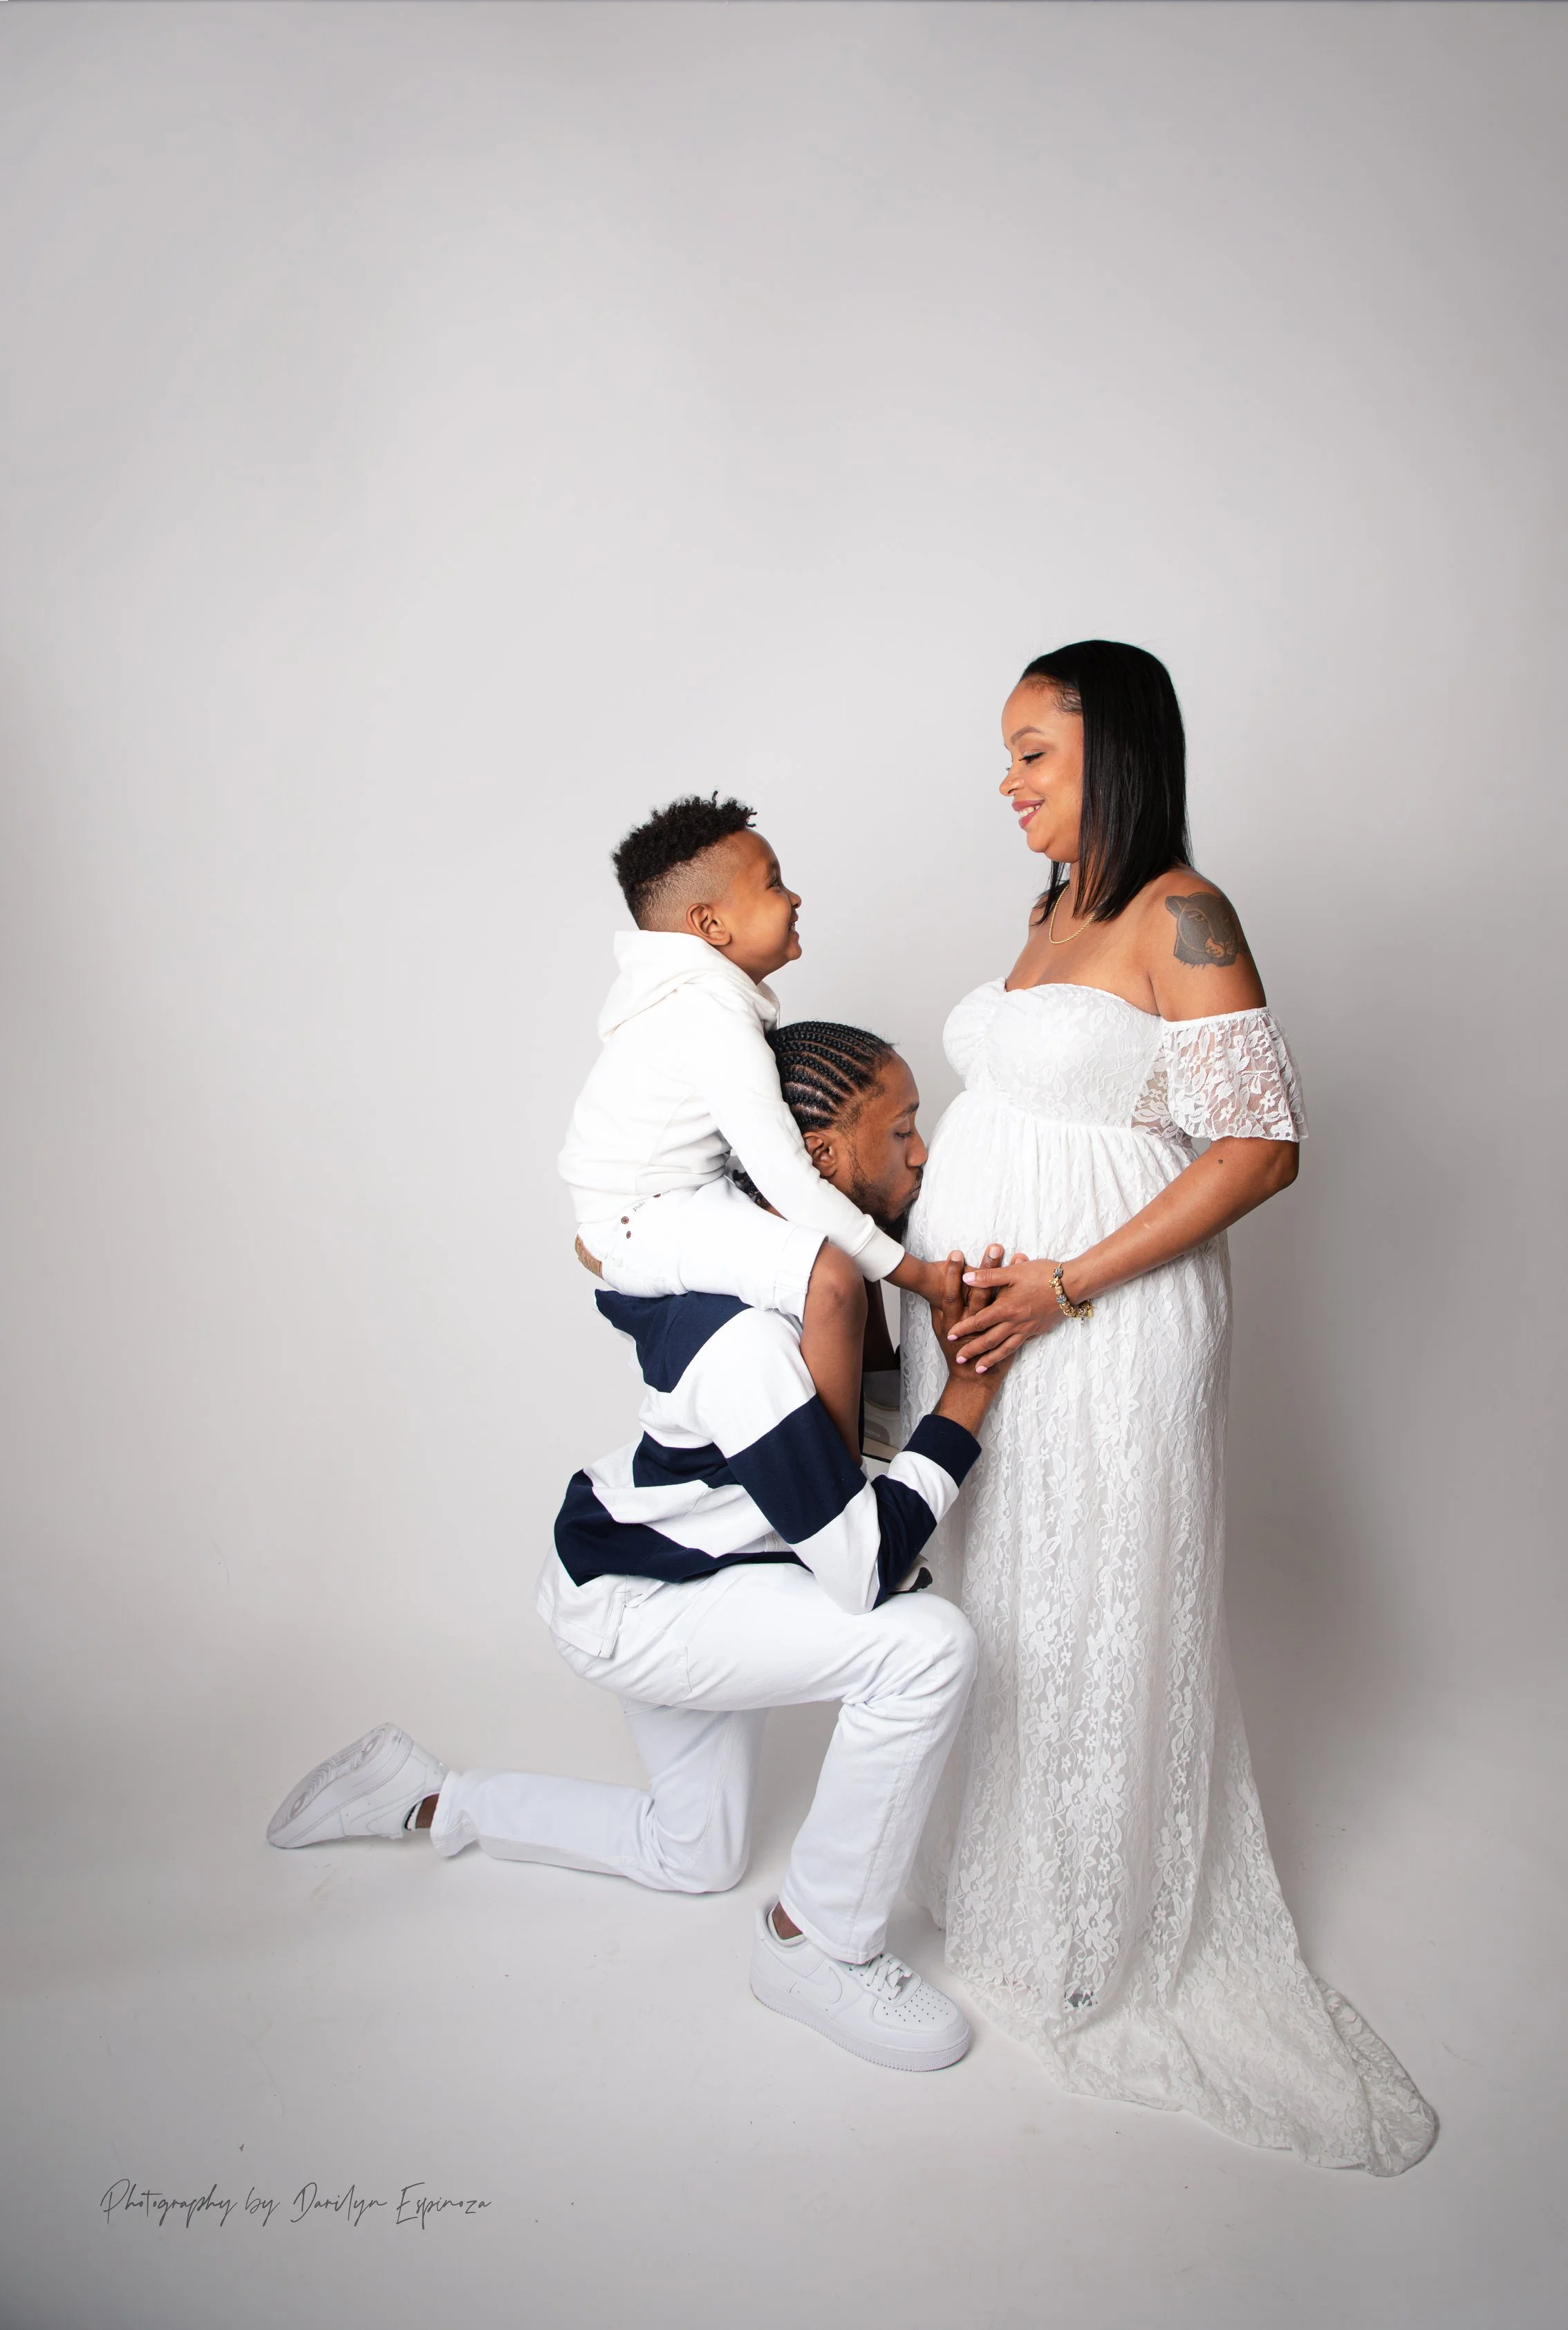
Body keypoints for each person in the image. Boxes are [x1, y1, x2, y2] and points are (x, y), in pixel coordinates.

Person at [899, 640, 1438, 2171]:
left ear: (1112, 750)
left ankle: (1098, 1935)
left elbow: (1257, 1143)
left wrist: (1066, 1281)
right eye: (1003, 757)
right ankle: (1013, 1894)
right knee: (1006, 1594)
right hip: (1005, 1317)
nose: (1003, 783)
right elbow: (1021, 1113)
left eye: (1030, 754)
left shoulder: (1179, 910)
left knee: (1094, 1606)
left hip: (1110, 1318)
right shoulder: (1049, 909)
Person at [268, 1026, 1017, 2075]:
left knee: (694, 1853)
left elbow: (856, 1462)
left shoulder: (832, 1283)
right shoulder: (747, 1338)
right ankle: (818, 1946)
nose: (922, 1151)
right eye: (901, 1129)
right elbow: (857, 1570)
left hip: (669, 1579)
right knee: (927, 1645)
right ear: (820, 1157)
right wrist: (973, 1401)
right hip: (640, 1607)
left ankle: (426, 1794)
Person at [557, 792, 960, 1459]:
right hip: (639, 1217)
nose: (794, 897)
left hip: (667, 1202)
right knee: (830, 1276)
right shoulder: (708, 1011)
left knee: (836, 1246)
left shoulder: (702, 1001)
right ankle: (842, 1484)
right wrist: (915, 1275)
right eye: (773, 882)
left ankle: (875, 1440)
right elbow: (787, 1174)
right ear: (710, 924)